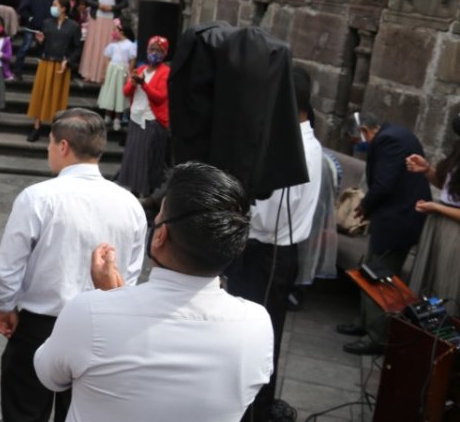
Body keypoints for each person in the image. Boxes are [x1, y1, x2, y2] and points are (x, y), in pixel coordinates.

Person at [33, 162, 273, 422]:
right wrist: (116, 300)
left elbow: (49, 374)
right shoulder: (257, 325)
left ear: (160, 237)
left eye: (158, 218)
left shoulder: (89, 312)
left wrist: (111, 302)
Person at [0, 108, 147, 422]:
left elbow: (9, 265)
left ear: (63, 146)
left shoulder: (38, 197)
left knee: (24, 410)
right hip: (100, 328)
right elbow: (129, 274)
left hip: (40, 324)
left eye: (50, 143)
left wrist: (6, 304)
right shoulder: (131, 205)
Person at [222, 67, 321, 422]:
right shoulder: (301, 143)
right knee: (258, 333)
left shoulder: (299, 150)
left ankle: (253, 409)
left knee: (259, 337)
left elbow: (270, 217)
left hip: (269, 253)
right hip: (269, 252)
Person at [336, 112, 430, 355]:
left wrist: (364, 206)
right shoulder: (394, 134)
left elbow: (384, 184)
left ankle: (377, 336)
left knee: (379, 275)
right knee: (369, 269)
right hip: (394, 217)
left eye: (358, 142)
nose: (361, 147)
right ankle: (365, 323)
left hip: (398, 220)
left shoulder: (389, 140)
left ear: (365, 130)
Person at [407, 114, 460, 315]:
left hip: (454, 232)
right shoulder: (458, 152)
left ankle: (444, 339)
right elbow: (449, 190)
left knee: (446, 284)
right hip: (439, 224)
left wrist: (437, 208)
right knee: (430, 284)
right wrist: (427, 169)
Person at [117, 36, 172, 196]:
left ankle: (147, 192)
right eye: (152, 50)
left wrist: (144, 85)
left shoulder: (165, 72)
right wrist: (133, 84)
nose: (154, 53)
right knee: (134, 156)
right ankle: (133, 190)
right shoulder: (141, 69)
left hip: (151, 120)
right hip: (136, 117)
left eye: (158, 51)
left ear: (164, 53)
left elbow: (160, 96)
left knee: (148, 158)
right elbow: (126, 92)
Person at [25, 0, 81, 142]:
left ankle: (54, 130)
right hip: (46, 62)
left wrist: (67, 61)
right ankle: (36, 127)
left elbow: (77, 48)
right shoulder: (47, 23)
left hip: (61, 65)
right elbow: (41, 47)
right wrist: (40, 41)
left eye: (55, 5)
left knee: (57, 97)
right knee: (41, 94)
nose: (52, 7)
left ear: (63, 8)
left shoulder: (73, 26)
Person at [79, 0, 128, 83]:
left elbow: (125, 3)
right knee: (94, 46)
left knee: (108, 46)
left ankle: (104, 75)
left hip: (111, 19)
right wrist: (98, 5)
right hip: (97, 18)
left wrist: (112, 8)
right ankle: (89, 73)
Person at [96, 21, 136, 131]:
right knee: (110, 92)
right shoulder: (112, 45)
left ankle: (117, 118)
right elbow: (107, 59)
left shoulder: (129, 45)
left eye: (115, 30)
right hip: (112, 70)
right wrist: (104, 73)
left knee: (119, 94)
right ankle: (107, 116)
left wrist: (129, 72)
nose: (113, 32)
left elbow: (132, 61)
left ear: (121, 31)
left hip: (122, 71)